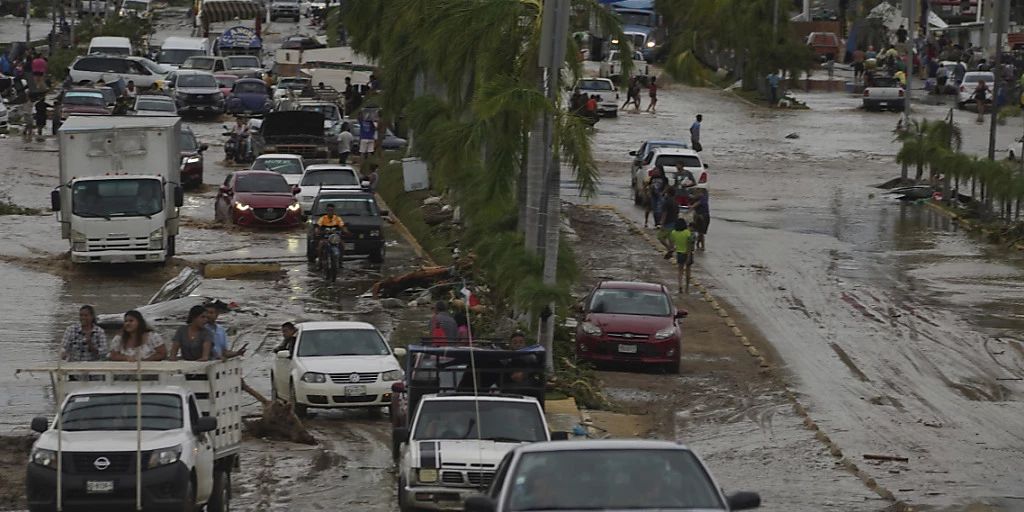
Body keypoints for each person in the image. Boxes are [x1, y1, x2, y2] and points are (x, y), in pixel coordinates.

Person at [665, 218, 693, 294]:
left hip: (679, 253)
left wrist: (671, 251)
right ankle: (687, 287)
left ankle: (680, 285)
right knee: (688, 271)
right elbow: (689, 246)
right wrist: (689, 256)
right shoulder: (687, 233)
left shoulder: (673, 233)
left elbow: (672, 244)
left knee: (680, 270)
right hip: (687, 253)